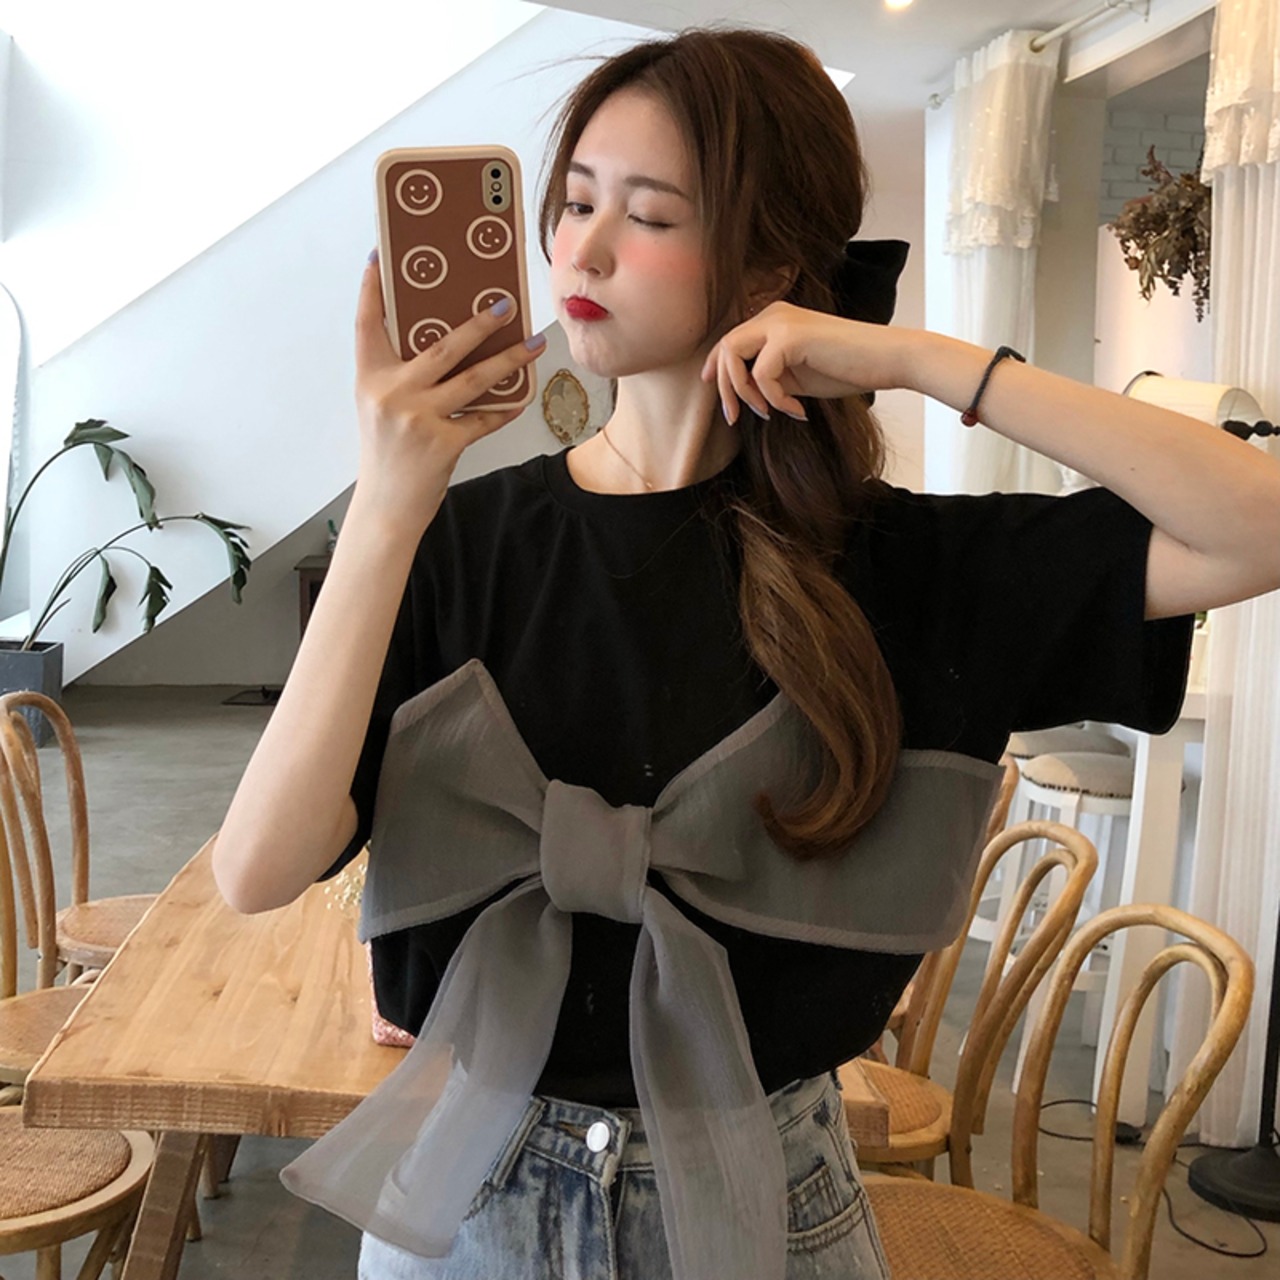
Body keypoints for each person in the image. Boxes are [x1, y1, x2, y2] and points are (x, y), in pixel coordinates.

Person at [212, 25, 1280, 1280]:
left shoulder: (899, 567)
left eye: (647, 215)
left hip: (767, 1209)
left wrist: (917, 359)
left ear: (769, 264)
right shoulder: (453, 542)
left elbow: (1252, 524)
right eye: (574, 204)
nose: (582, 250)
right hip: (466, 1205)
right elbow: (255, 868)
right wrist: (387, 502)